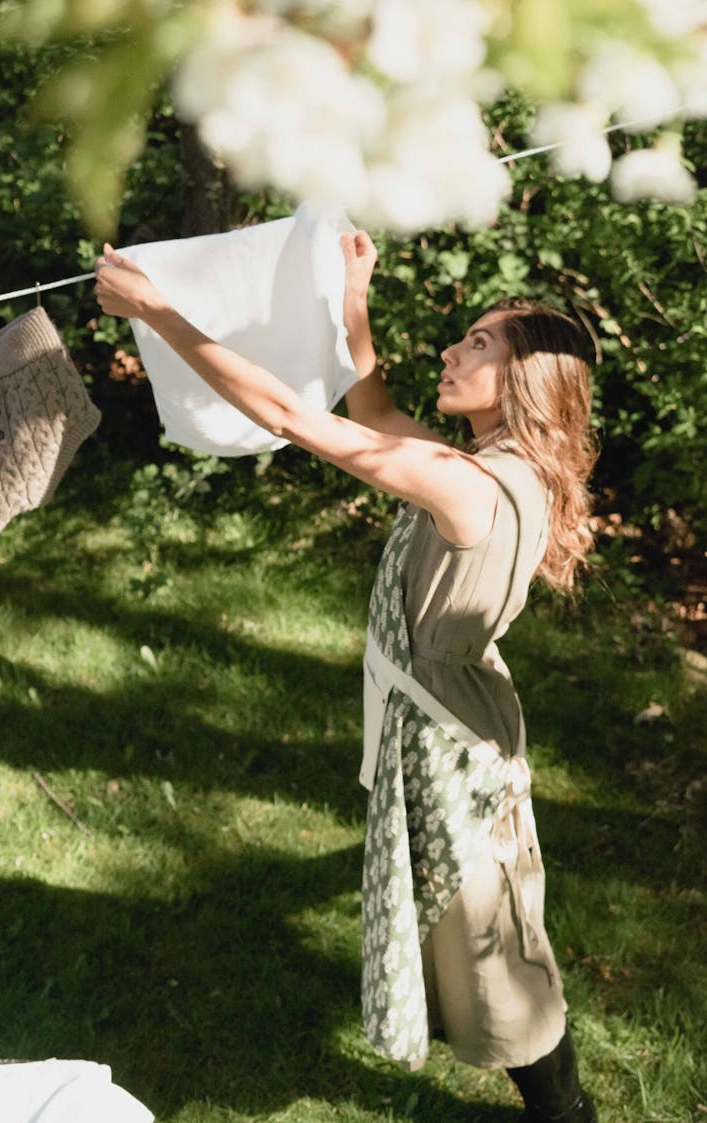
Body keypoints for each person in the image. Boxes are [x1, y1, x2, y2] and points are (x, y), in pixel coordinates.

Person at [95, 228, 599, 1122]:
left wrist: (159, 311)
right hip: (444, 722)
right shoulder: (484, 466)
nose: (452, 347)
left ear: (524, 379)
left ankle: (567, 1113)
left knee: (500, 958)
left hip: (456, 751)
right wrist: (354, 291)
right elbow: (373, 416)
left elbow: (300, 421)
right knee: (467, 940)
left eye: (478, 342)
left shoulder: (467, 480)